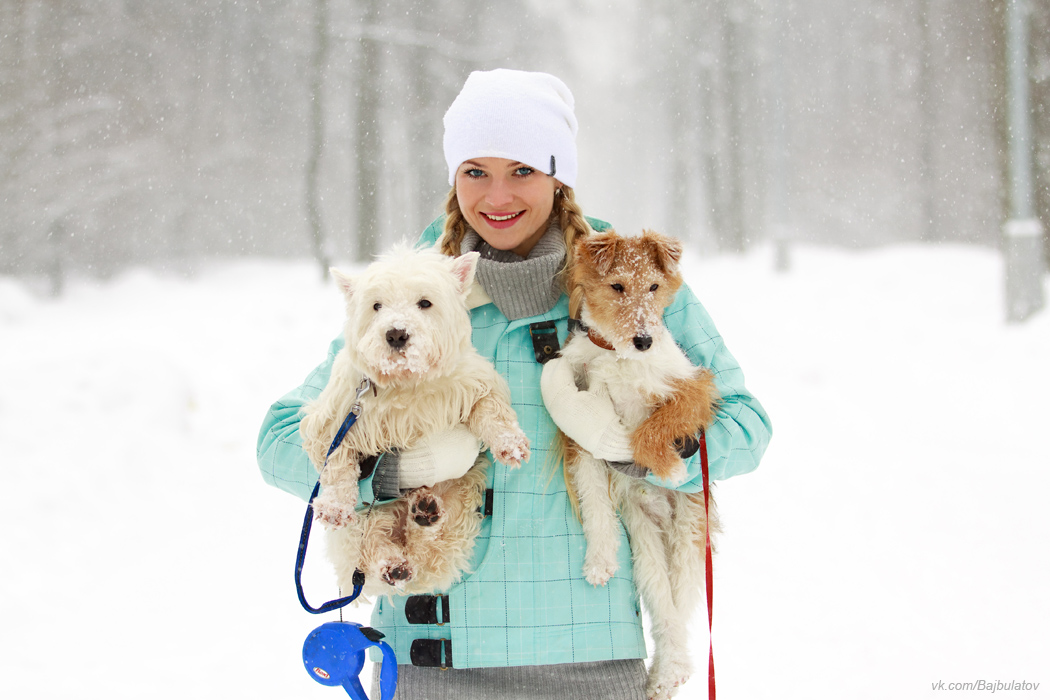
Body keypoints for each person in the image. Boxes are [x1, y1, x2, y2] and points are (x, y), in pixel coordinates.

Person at [257, 68, 772, 699]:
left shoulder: (625, 278)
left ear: (560, 175)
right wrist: (390, 470)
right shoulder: (407, 295)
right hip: (433, 662)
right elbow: (279, 442)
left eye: (522, 169)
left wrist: (638, 448)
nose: (497, 194)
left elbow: (746, 427)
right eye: (475, 171)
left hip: (593, 665)